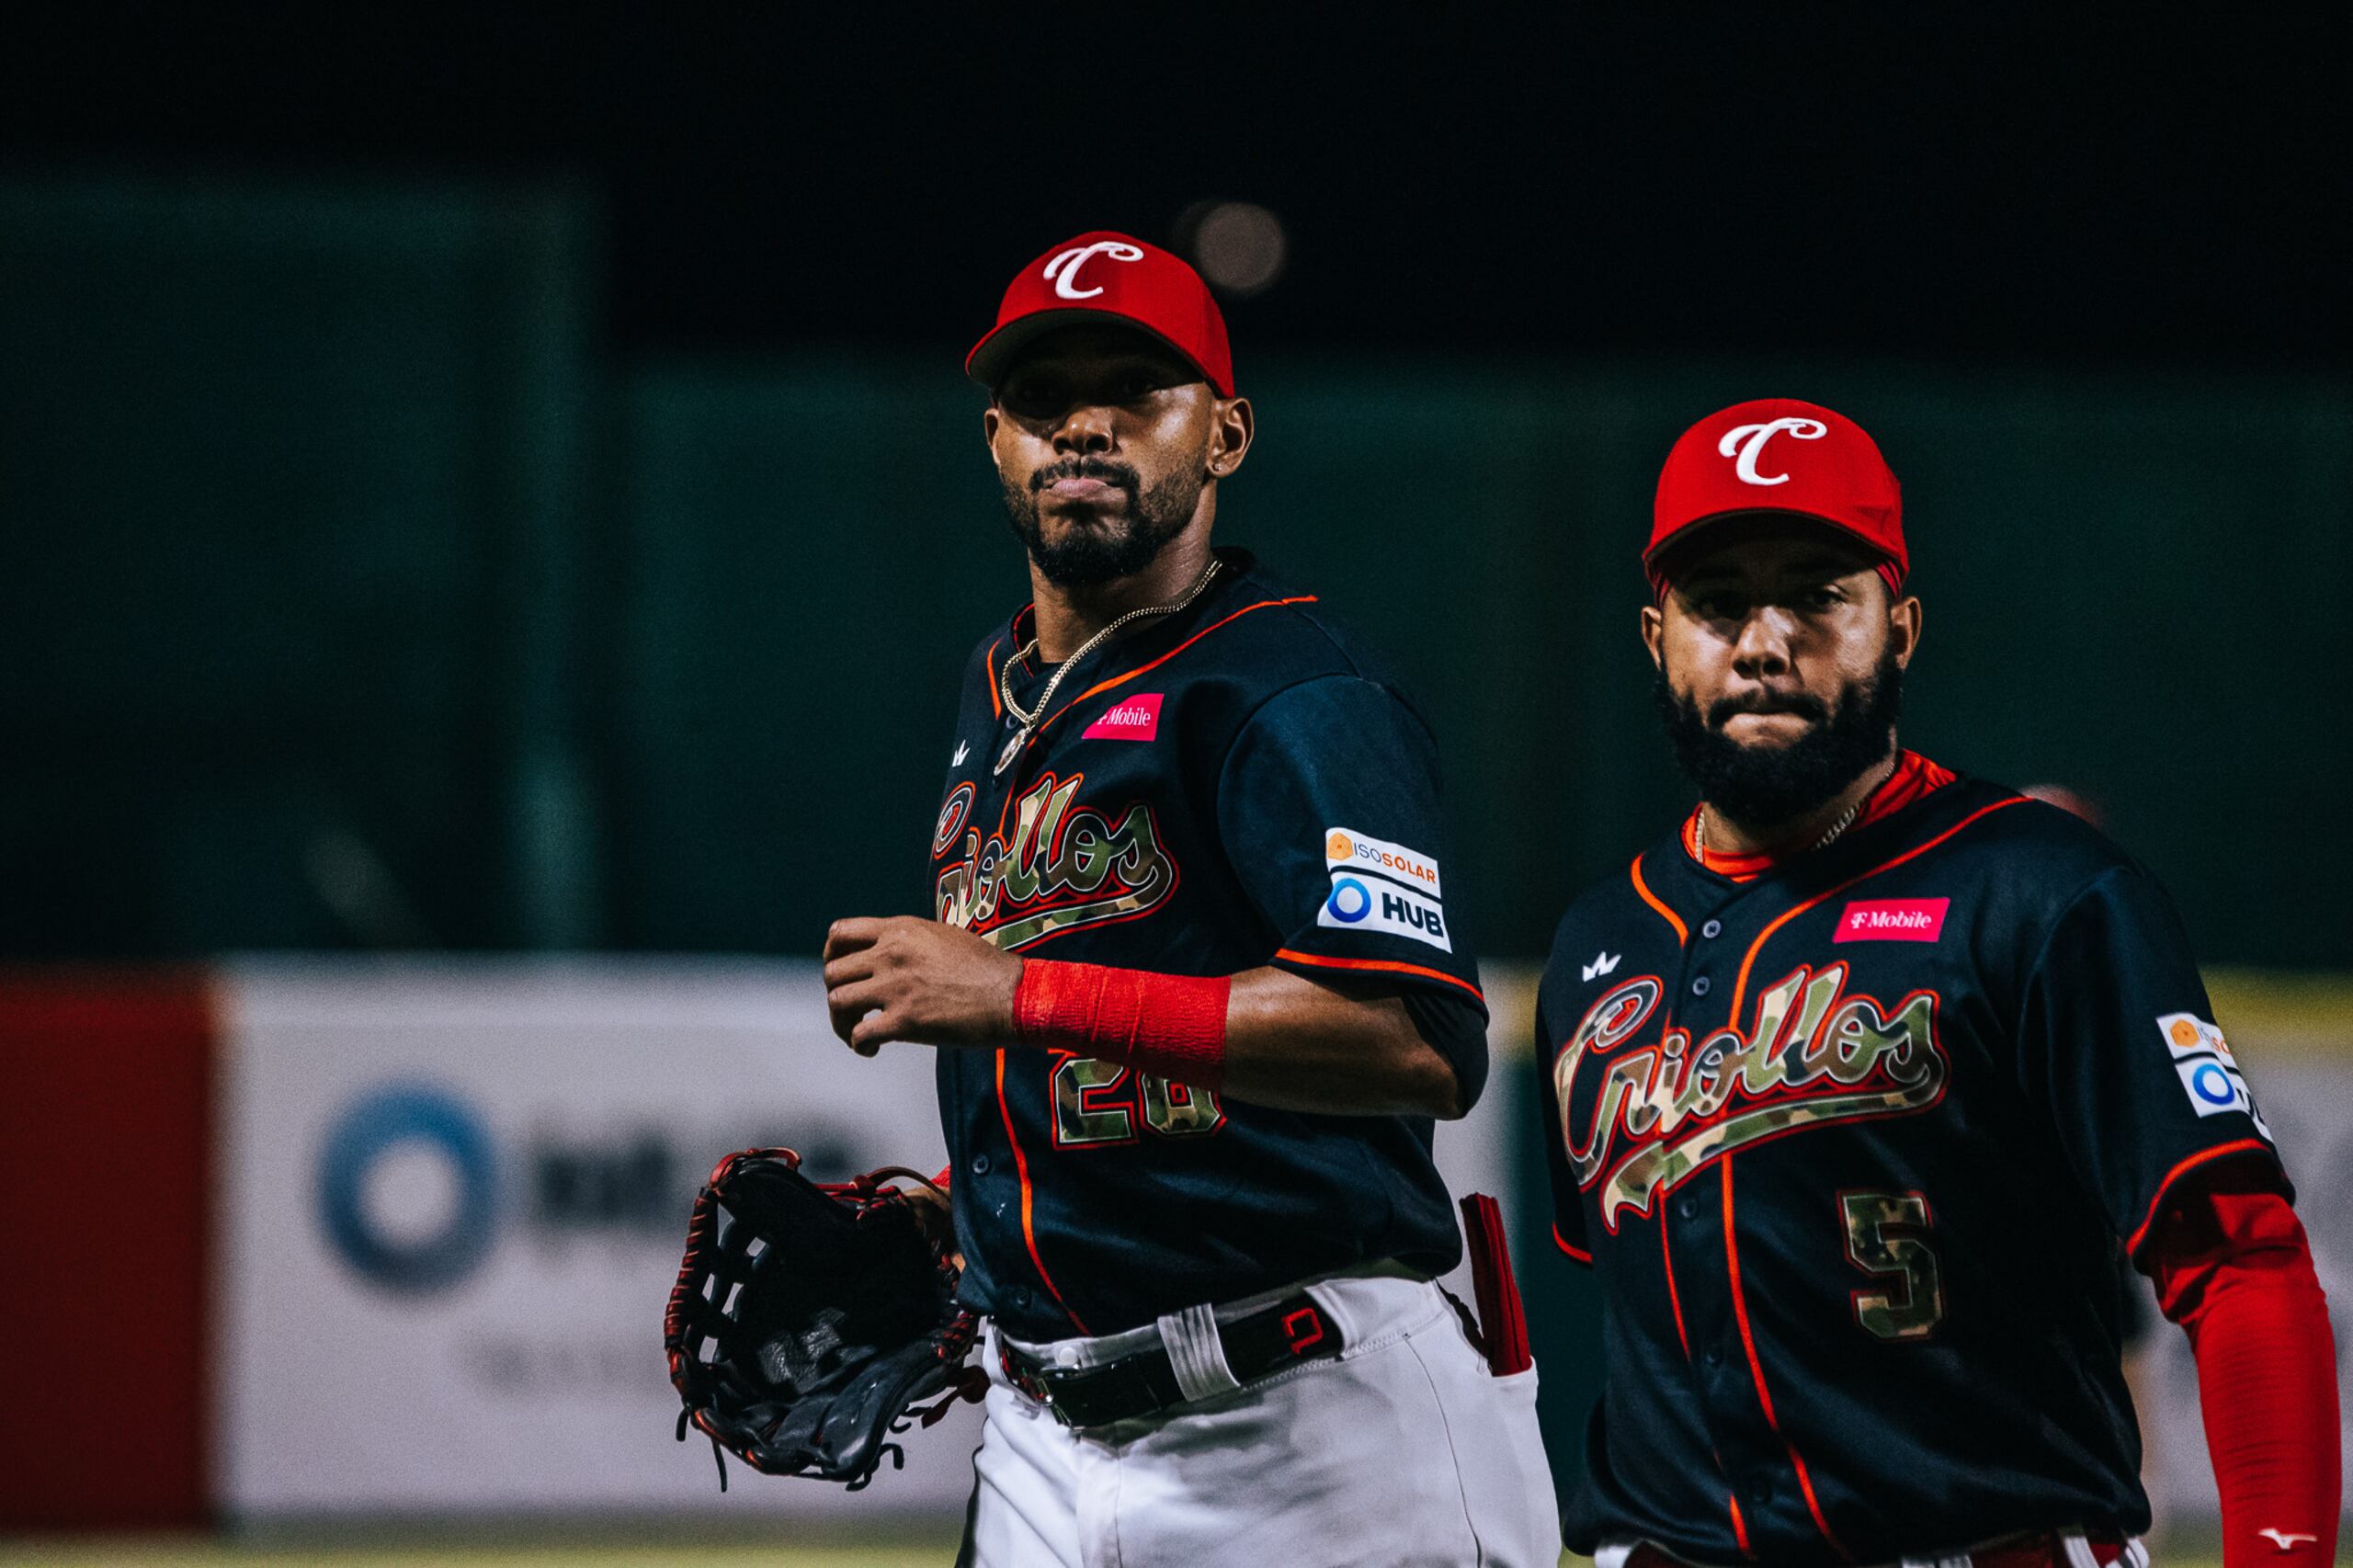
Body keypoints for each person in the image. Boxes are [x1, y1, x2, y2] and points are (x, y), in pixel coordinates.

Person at [820, 232, 1559, 1567]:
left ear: (1224, 435)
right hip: (1047, 1429)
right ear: (997, 440)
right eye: (1046, 399)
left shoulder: (1294, 688)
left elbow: (1414, 1043)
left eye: (1136, 390)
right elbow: (1132, 1024)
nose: (1085, 424)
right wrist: (969, 1197)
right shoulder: (1000, 689)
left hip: (1307, 1420)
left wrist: (1012, 992)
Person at [1535, 399, 2339, 1566]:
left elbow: (2242, 1256)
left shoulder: (2045, 891)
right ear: (1654, 634)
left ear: (1900, 627)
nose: (1764, 640)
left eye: (1818, 594)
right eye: (1717, 602)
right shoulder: (1601, 941)